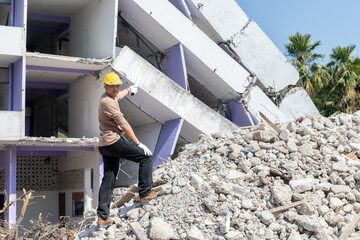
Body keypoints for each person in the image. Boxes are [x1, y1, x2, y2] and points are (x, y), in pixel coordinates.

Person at [97, 72, 159, 226]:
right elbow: (124, 125)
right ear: (106, 86)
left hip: (105, 144)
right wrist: (138, 143)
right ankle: (145, 193)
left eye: (118, 86)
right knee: (145, 157)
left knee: (109, 178)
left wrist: (130, 89)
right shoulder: (109, 103)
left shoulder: (107, 97)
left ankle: (102, 216)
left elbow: (118, 96)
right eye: (113, 87)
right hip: (113, 142)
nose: (116, 89)